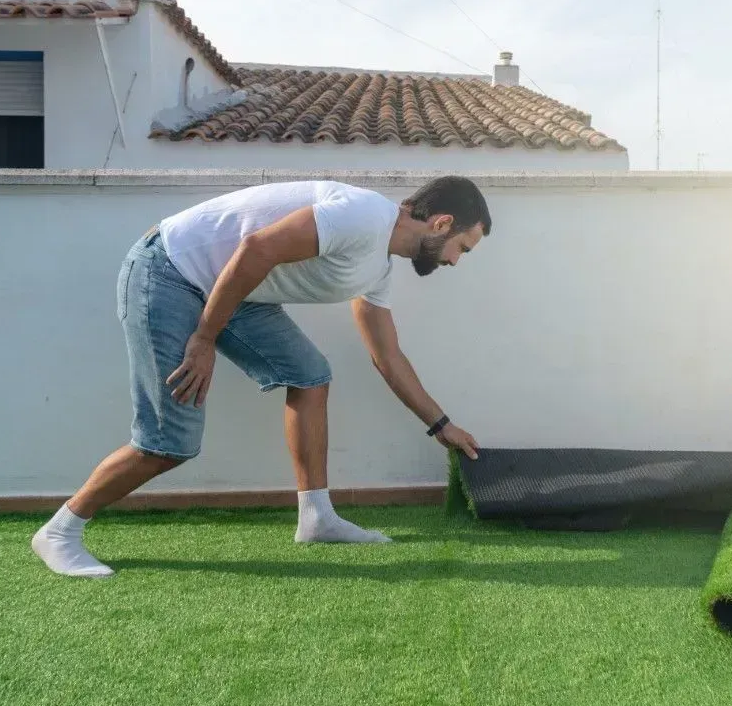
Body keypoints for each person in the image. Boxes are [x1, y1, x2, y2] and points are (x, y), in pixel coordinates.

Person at [31, 176, 490, 578]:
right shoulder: (364, 215)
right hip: (170, 272)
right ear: (441, 223)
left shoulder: (378, 268)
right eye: (463, 248)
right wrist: (204, 338)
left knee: (310, 376)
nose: (456, 261)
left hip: (236, 292)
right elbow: (258, 248)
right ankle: (60, 532)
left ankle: (317, 518)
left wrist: (440, 424)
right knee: (168, 442)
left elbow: (387, 356)